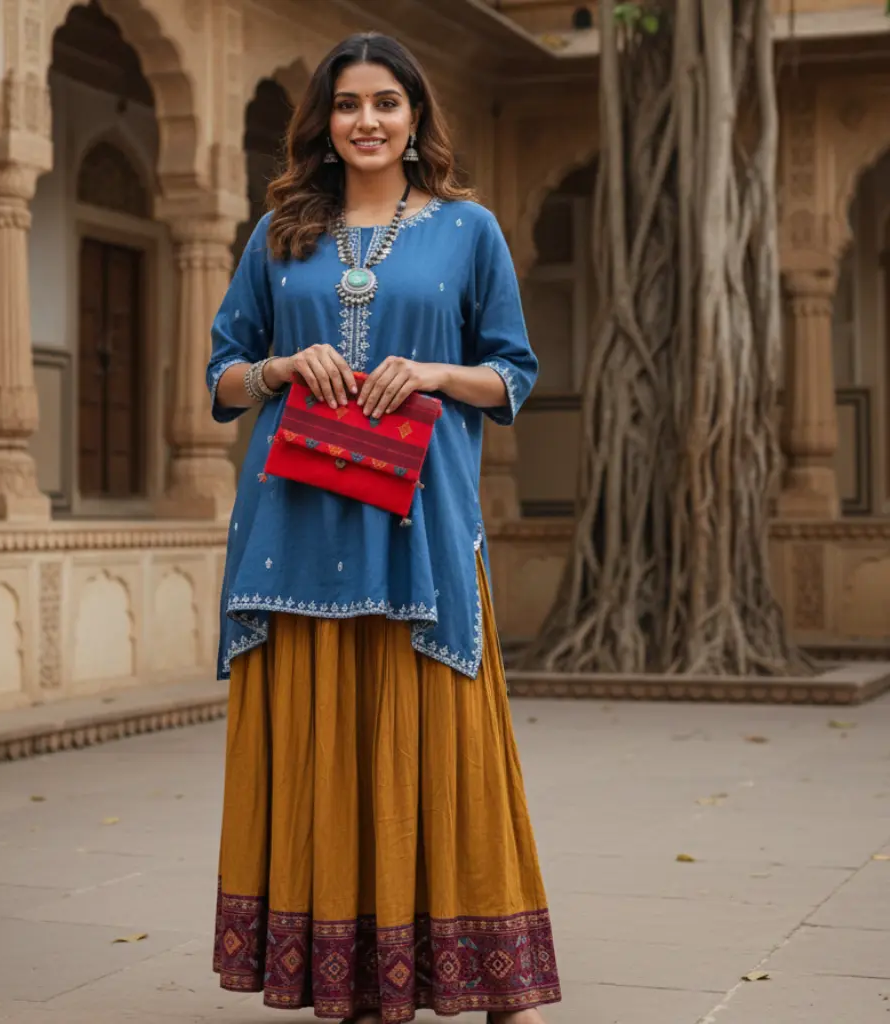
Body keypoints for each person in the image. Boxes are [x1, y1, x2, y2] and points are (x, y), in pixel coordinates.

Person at [208, 32, 560, 1024]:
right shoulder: (280, 233)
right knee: (327, 741)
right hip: (297, 522)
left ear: (414, 120)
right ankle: (348, 978)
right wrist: (280, 368)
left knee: (442, 733)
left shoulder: (467, 229)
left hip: (421, 520)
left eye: (386, 103)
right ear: (322, 121)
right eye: (347, 103)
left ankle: (488, 976)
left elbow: (513, 374)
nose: (366, 120)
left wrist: (436, 373)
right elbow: (222, 377)